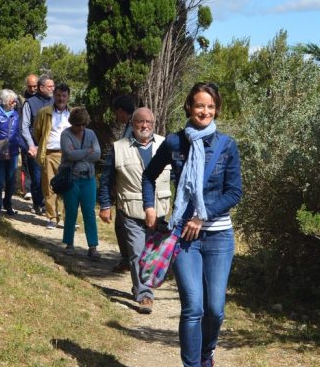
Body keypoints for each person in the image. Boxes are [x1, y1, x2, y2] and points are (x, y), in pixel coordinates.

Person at [142, 82, 242, 367]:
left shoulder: (226, 146)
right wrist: (150, 206)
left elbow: (234, 192)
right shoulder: (174, 143)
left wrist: (203, 215)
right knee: (193, 308)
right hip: (184, 237)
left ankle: (206, 352)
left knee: (215, 311)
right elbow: (148, 176)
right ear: (189, 106)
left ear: (217, 109)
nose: (205, 111)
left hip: (219, 237)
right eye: (200, 105)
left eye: (210, 107)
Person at [99, 107, 171, 314]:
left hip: (159, 211)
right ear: (132, 125)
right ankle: (145, 295)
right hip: (131, 211)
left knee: (152, 254)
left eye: (149, 122)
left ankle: (140, 285)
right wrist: (105, 205)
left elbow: (176, 175)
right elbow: (106, 180)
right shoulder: (118, 147)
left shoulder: (165, 145)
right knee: (137, 253)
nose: (145, 126)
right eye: (140, 122)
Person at [59, 107, 101, 259]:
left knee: (89, 212)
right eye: (78, 124)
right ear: (72, 123)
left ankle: (93, 246)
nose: (81, 127)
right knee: (71, 211)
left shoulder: (91, 134)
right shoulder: (66, 134)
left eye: (83, 124)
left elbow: (97, 154)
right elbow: (69, 154)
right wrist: (87, 151)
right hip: (72, 179)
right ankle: (69, 243)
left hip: (88, 178)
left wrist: (80, 154)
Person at [32, 81, 70, 229]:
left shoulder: (72, 113)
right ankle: (52, 217)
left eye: (64, 96)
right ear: (54, 95)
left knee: (68, 187)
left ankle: (68, 218)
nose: (61, 98)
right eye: (58, 95)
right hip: (49, 153)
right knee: (49, 187)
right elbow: (37, 132)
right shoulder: (45, 112)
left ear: (68, 97)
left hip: (68, 155)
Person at [109, 94, 136, 273]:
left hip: (130, 185)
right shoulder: (130, 125)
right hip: (126, 183)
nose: (116, 117)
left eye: (116, 113)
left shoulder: (134, 126)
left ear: (120, 111)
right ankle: (128, 259)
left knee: (123, 225)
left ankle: (129, 260)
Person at [22, 74, 54, 215]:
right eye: (50, 86)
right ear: (41, 88)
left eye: (53, 86)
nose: (53, 88)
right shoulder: (29, 103)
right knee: (36, 178)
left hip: (53, 148)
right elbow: (24, 127)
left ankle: (49, 206)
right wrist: (31, 145)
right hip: (35, 147)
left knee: (51, 178)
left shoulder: (56, 102)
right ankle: (37, 203)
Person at [19, 74, 40, 201]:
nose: (32, 89)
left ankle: (37, 189)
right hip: (25, 137)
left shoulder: (43, 99)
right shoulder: (21, 99)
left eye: (35, 86)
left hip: (40, 138)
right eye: (30, 86)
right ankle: (27, 189)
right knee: (26, 163)